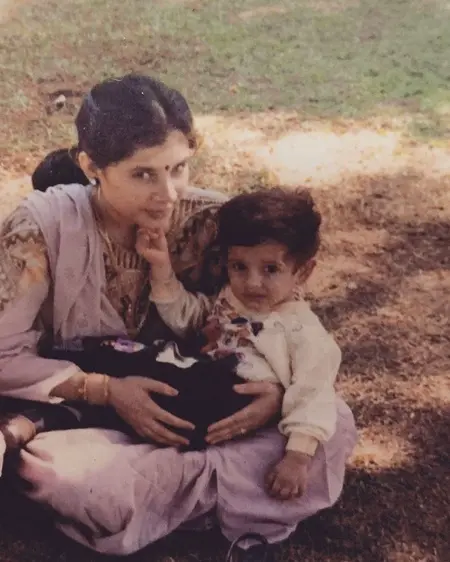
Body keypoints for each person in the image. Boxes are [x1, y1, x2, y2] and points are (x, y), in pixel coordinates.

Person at [0, 73, 357, 558]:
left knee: (333, 423)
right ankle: (223, 503)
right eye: (143, 174)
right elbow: (3, 357)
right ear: (92, 166)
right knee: (73, 476)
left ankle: (164, 505)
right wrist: (104, 389)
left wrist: (272, 395)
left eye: (179, 168)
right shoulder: (38, 231)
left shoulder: (210, 223)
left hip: (197, 403)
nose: (167, 193)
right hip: (87, 412)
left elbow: (274, 320)